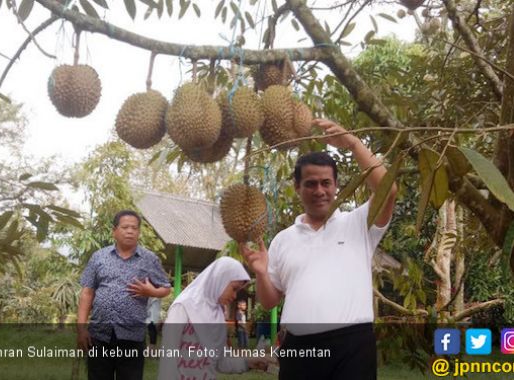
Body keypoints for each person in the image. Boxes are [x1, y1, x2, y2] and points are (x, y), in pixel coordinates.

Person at [239, 119, 398, 380]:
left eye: (326, 183)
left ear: (336, 186)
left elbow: (388, 190)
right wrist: (261, 272)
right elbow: (269, 301)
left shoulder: (358, 223)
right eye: (311, 184)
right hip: (298, 350)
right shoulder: (282, 239)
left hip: (352, 346)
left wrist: (352, 143)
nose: (319, 191)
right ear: (297, 187)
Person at [77, 210, 172, 380]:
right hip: (99, 335)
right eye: (125, 227)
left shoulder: (149, 259)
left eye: (134, 228)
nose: (130, 231)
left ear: (139, 232)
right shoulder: (99, 257)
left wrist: (151, 292)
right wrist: (81, 329)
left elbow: (166, 288)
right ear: (114, 231)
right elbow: (87, 293)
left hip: (132, 337)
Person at [157, 257, 268, 380]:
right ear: (220, 279)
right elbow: (168, 358)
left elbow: (221, 362)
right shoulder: (183, 307)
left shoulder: (218, 315)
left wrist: (248, 362)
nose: (235, 296)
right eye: (234, 288)